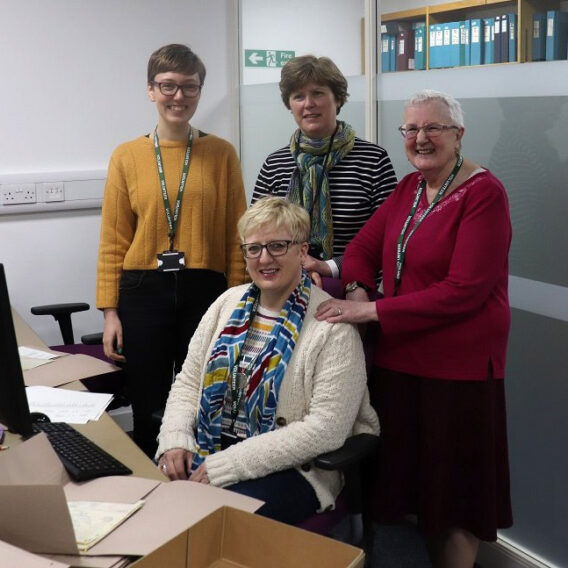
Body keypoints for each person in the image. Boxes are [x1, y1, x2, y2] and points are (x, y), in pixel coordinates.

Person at [315, 90, 513, 567]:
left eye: (433, 128)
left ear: (458, 135)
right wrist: (360, 287)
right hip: (398, 363)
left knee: (456, 502)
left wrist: (368, 313)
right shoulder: (407, 189)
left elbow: (463, 290)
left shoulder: (484, 193)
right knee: (406, 495)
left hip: (457, 371)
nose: (420, 138)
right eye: (411, 129)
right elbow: (362, 247)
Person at [156, 197, 379, 524]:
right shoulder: (226, 303)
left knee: (212, 523)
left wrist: (227, 465)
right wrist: (175, 439)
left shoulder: (331, 326)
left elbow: (326, 430)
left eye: (277, 246)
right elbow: (189, 382)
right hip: (210, 447)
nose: (264, 259)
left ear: (302, 252)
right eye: (254, 249)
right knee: (150, 506)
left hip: (294, 469)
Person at [96, 44, 247, 458]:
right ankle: (153, 484)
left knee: (206, 395)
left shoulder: (222, 154)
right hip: (143, 290)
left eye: (189, 87)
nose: (178, 96)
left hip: (208, 289)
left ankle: (203, 482)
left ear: (199, 92)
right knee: (149, 402)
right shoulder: (127, 156)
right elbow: (113, 239)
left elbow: (238, 235)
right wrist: (110, 312)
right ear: (151, 90)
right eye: (168, 86)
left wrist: (239, 302)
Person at [252, 55, 397, 280]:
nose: (308, 104)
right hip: (286, 288)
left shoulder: (373, 160)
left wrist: (329, 267)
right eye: (298, 96)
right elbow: (256, 236)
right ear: (290, 105)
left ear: (337, 99)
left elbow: (389, 237)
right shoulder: (275, 164)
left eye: (318, 93)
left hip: (354, 288)